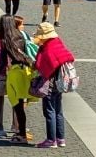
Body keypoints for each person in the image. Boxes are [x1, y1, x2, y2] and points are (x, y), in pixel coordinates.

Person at [31, 20, 74, 148]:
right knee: (58, 111)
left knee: (49, 111)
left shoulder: (47, 49)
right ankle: (61, 139)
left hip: (50, 83)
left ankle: (51, 140)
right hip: (61, 82)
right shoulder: (58, 43)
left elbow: (41, 66)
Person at [0, 14, 37, 144]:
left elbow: (2, 61)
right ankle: (21, 132)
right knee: (21, 104)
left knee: (16, 104)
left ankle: (22, 134)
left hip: (14, 74)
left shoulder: (5, 40)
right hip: (25, 71)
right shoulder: (20, 36)